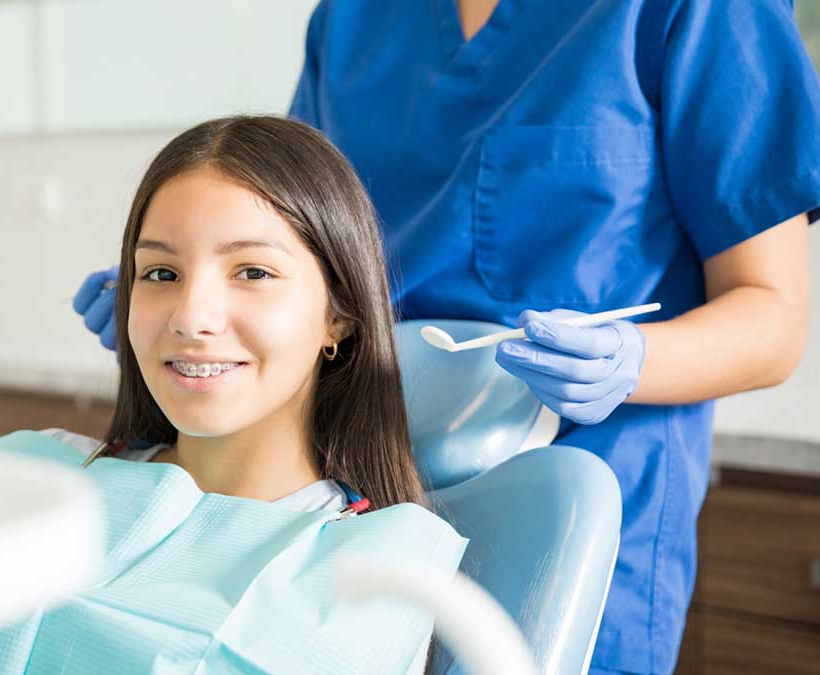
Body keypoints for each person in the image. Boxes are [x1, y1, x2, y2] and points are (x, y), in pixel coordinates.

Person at [73, 2, 820, 673]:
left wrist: (635, 361)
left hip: (584, 492)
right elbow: (296, 228)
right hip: (343, 490)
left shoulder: (698, 11)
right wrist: (193, 303)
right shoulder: (350, 20)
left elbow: (773, 319)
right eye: (158, 273)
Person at [0, 116, 467, 675]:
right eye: (161, 274)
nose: (191, 317)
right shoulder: (33, 474)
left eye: (252, 272)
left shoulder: (372, 573)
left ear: (338, 316)